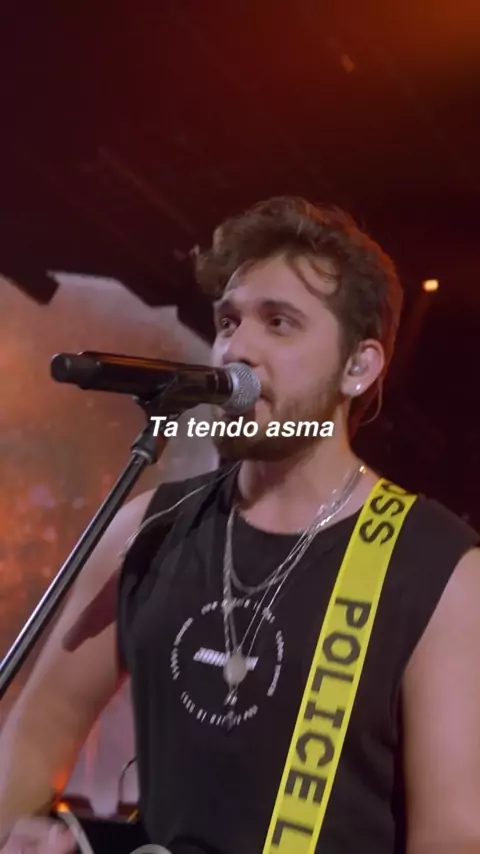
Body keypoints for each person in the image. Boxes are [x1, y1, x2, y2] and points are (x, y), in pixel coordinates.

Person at [1, 196, 479, 854]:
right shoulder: (149, 527)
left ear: (358, 366)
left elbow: (454, 836)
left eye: (278, 323)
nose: (236, 349)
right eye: (229, 321)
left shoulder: (439, 571)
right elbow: (35, 735)